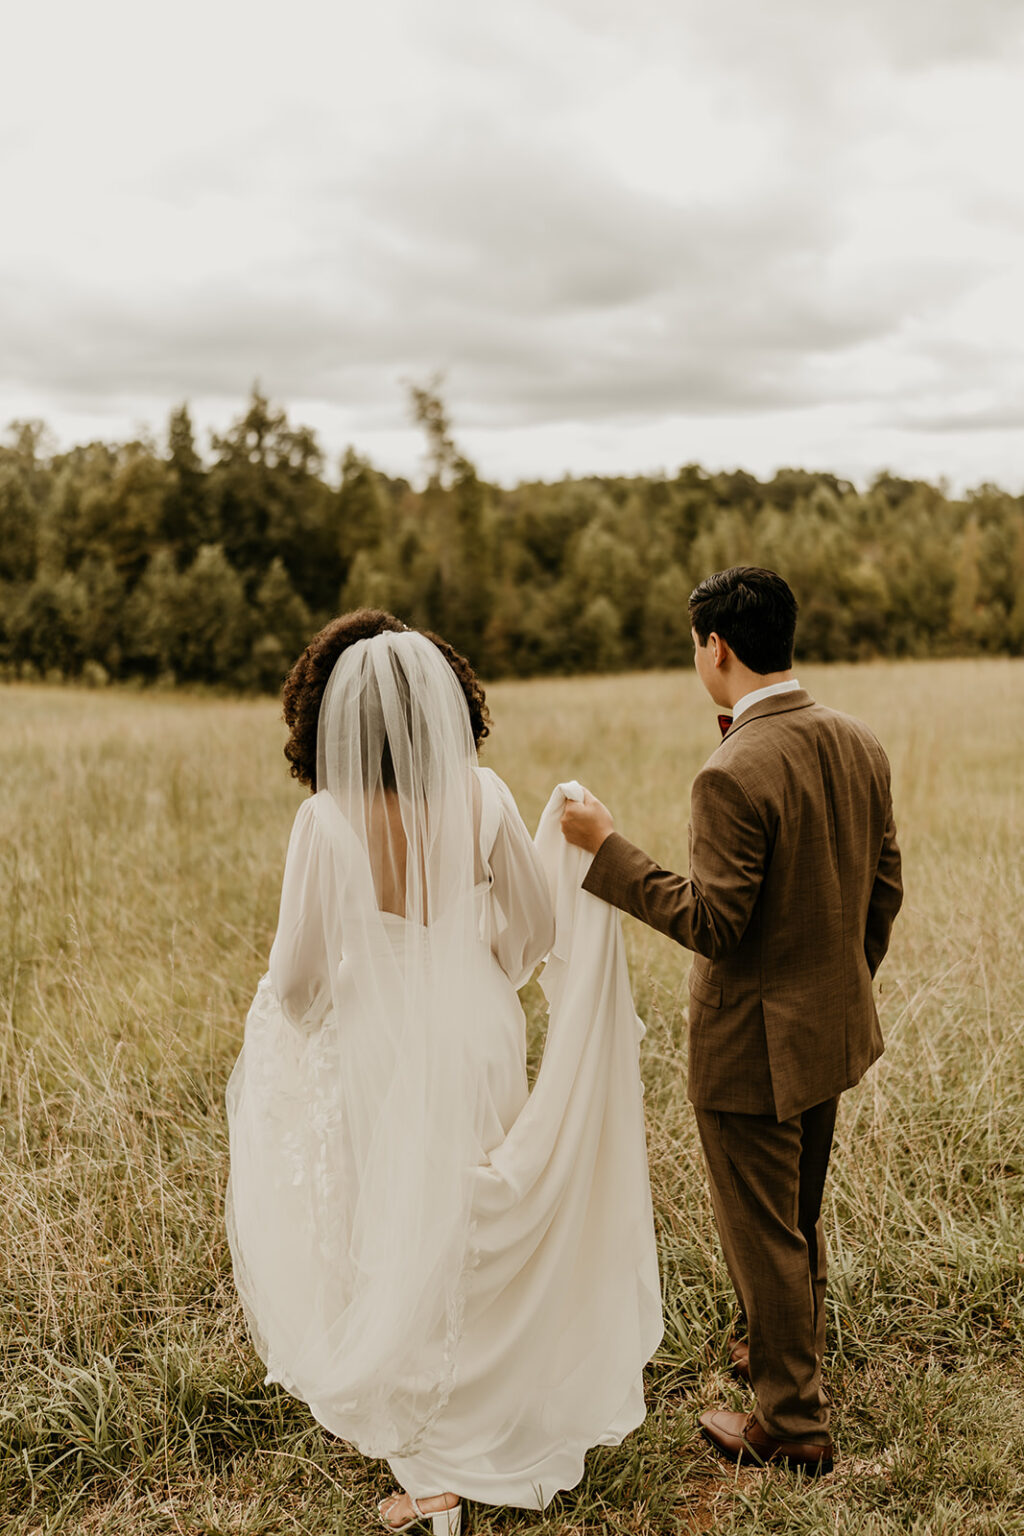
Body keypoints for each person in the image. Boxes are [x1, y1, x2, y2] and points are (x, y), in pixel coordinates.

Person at [225, 610, 662, 1534]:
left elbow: (298, 981)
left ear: (338, 721)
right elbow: (537, 926)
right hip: (480, 1028)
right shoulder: (486, 795)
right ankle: (498, 1415)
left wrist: (325, 1010)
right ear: (443, 705)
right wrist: (476, 972)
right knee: (474, 1220)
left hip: (382, 1039)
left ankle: (433, 1474)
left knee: (399, 1228)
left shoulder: (324, 820)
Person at [561, 566, 903, 1475]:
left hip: (751, 1050)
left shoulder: (731, 771)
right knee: (796, 1218)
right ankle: (782, 1356)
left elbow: (713, 922)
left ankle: (793, 1426)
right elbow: (887, 888)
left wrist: (607, 850)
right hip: (830, 1033)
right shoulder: (859, 739)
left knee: (765, 1233)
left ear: (716, 647)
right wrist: (839, 985)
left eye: (694, 645)